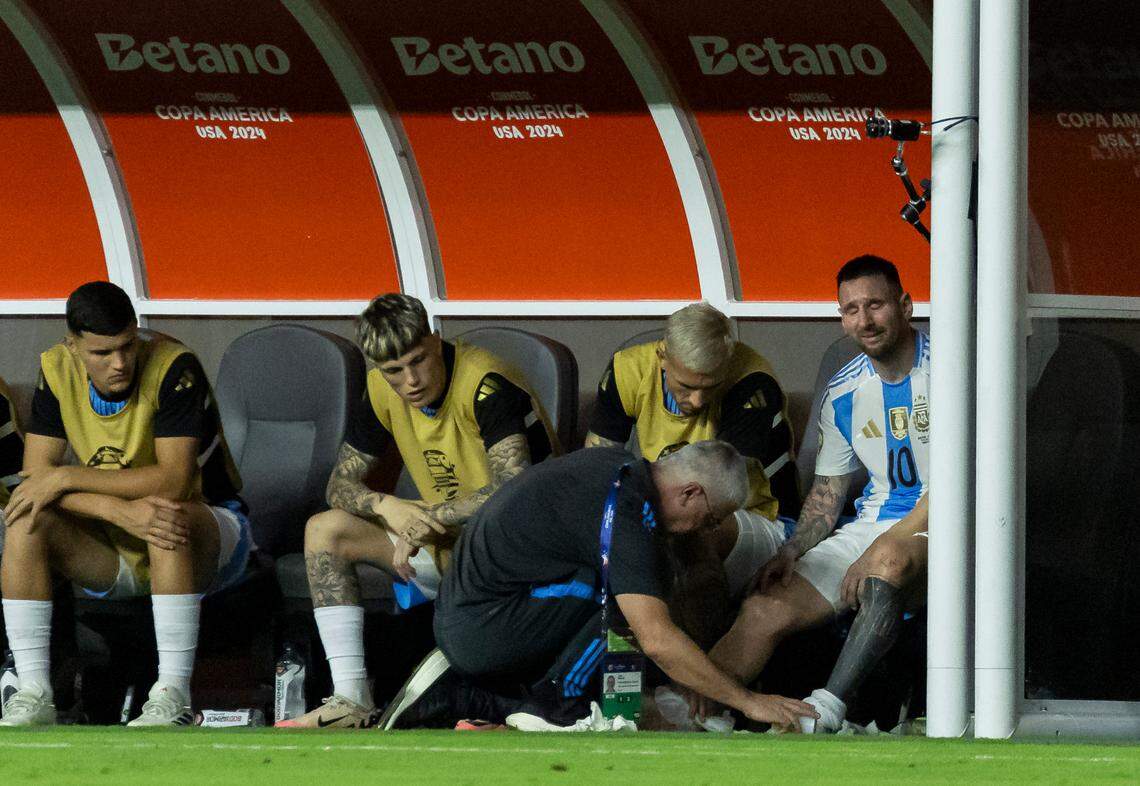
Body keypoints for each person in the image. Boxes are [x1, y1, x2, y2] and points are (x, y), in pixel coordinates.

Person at [281, 294, 558, 728]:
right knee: (325, 530)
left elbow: (515, 491)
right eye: (394, 370)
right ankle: (351, 699)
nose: (410, 380)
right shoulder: (380, 391)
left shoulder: (486, 383)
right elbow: (339, 484)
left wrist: (431, 518)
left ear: (435, 337)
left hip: (523, 554)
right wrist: (385, 505)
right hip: (450, 545)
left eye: (419, 360)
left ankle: (504, 709)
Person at [403, 442, 817, 730]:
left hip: (490, 614)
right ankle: (554, 706)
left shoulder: (622, 473)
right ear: (691, 493)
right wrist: (745, 700)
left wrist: (689, 677)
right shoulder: (625, 508)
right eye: (711, 519)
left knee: (632, 597)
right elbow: (655, 637)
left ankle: (472, 695)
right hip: (480, 626)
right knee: (623, 602)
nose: (707, 530)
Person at [691, 254, 930, 733]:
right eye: (850, 310)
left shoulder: (955, 371)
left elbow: (961, 485)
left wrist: (885, 543)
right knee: (765, 605)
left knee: (886, 563)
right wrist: (792, 549)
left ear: (904, 305)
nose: (864, 320)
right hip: (874, 525)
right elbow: (827, 494)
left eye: (875, 305)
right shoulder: (843, 393)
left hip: (951, 521)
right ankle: (691, 708)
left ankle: (826, 709)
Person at [0, 281, 250, 727]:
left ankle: (172, 694)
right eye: (102, 353)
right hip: (115, 541)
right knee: (25, 517)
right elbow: (33, 482)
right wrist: (115, 511)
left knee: (163, 513)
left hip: (210, 529)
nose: (120, 363)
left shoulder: (174, 366)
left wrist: (66, 477)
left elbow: (174, 480)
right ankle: (35, 692)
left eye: (128, 346)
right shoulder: (56, 369)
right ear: (72, 345)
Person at [585, 302, 800, 647]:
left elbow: (716, 497)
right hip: (668, 505)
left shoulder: (752, 383)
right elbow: (595, 468)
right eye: (685, 386)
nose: (698, 400)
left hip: (756, 516)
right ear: (662, 357)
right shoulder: (627, 371)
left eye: (710, 387)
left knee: (691, 532)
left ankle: (702, 661)